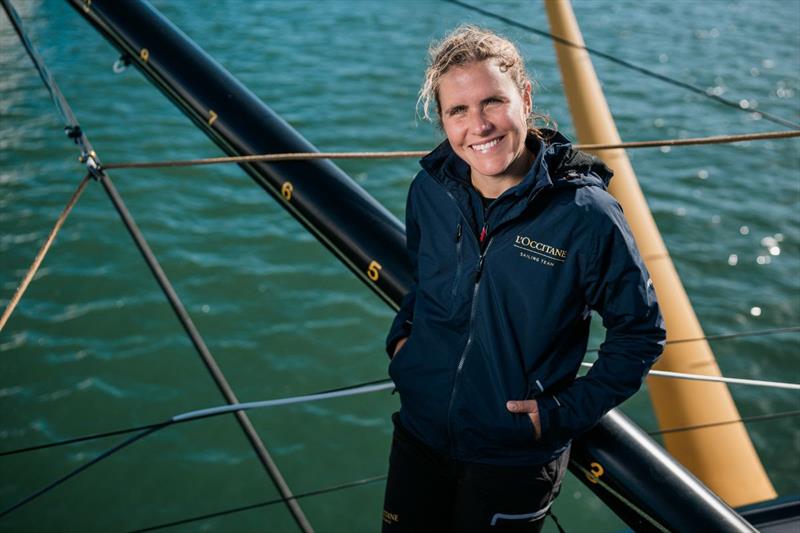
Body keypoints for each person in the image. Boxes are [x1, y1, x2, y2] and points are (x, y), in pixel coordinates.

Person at [382, 25, 666, 532]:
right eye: (458, 110)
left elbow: (640, 332)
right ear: (442, 118)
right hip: (420, 434)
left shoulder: (586, 215)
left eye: (493, 102)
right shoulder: (430, 189)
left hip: (512, 461)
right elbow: (424, 279)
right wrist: (404, 348)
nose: (479, 125)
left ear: (525, 98)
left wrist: (561, 414)